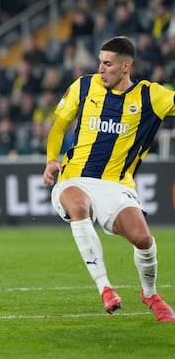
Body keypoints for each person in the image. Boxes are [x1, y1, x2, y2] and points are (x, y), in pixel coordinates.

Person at [42, 35, 175, 322]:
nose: (101, 69)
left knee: (143, 240)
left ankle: (150, 293)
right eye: (100, 62)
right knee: (78, 206)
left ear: (126, 66)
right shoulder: (84, 86)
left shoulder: (150, 96)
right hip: (74, 176)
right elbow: (58, 127)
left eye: (108, 64)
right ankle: (105, 289)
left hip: (116, 185)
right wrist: (52, 158)